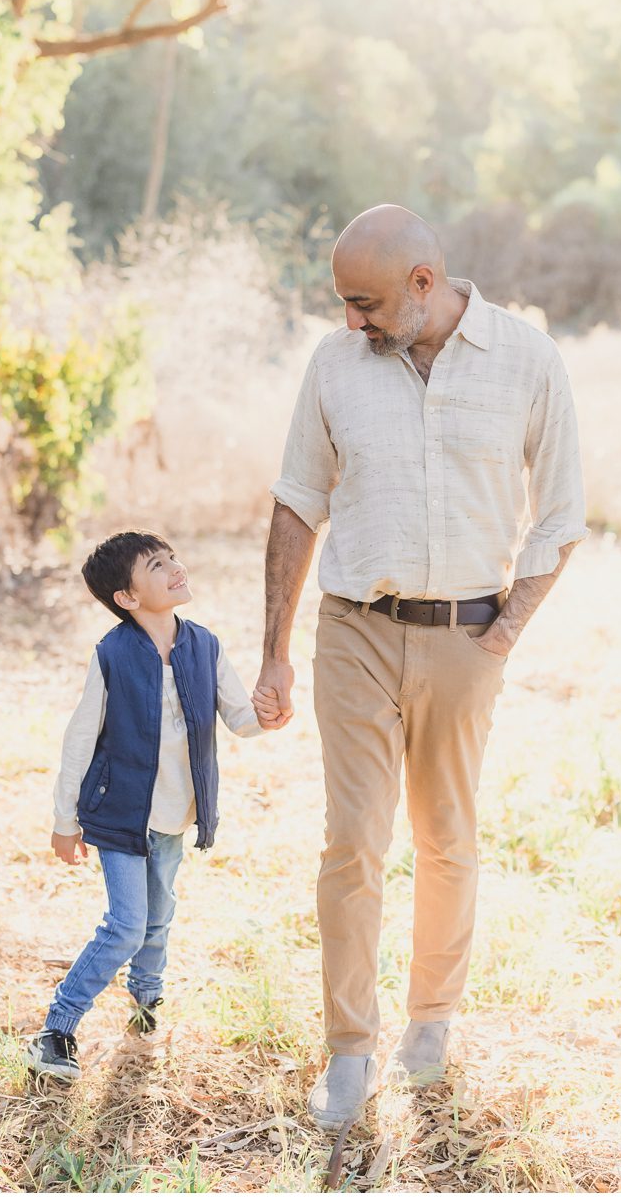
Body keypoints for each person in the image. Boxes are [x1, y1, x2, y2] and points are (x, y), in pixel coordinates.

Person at [252, 205, 586, 1130]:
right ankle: (349, 1051)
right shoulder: (334, 365)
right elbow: (295, 503)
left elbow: (561, 514)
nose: (351, 321)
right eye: (344, 304)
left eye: (364, 303)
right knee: (353, 842)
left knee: (447, 837)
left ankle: (430, 1021)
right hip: (354, 630)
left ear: (423, 286)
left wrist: (507, 628)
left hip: (467, 638)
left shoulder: (527, 361)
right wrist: (274, 650)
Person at [26, 530, 259, 1082]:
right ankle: (56, 1030)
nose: (176, 568)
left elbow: (242, 718)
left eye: (173, 557)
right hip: (119, 812)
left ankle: (147, 999)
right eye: (157, 565)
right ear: (127, 598)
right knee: (127, 925)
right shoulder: (113, 655)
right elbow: (80, 738)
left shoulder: (205, 645)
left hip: (175, 812)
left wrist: (272, 711)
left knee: (159, 915)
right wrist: (64, 821)